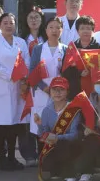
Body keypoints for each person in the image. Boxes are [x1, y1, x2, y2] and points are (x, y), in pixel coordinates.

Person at [0, 12, 30, 171]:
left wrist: (23, 77)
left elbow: (27, 61)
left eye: (11, 23)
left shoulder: (21, 42)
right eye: (5, 23)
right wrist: (10, 75)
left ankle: (12, 156)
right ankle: (2, 157)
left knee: (15, 125)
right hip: (1, 88)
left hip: (18, 88)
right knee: (1, 125)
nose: (9, 26)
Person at [26, 17, 69, 167]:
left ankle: (56, 160)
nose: (54, 30)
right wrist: (45, 88)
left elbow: (67, 72)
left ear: (62, 30)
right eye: (51, 27)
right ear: (46, 30)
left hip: (60, 94)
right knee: (41, 125)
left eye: (58, 27)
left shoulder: (65, 49)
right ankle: (42, 159)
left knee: (58, 125)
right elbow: (32, 71)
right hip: (41, 91)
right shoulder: (38, 49)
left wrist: (58, 90)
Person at [35, 76, 84, 181]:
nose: (57, 93)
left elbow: (75, 134)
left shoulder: (73, 109)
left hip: (70, 145)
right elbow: (43, 134)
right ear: (50, 91)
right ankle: (59, 170)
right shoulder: (47, 110)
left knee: (63, 145)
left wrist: (57, 138)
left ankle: (70, 172)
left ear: (67, 92)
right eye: (54, 89)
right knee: (48, 167)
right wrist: (39, 125)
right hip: (53, 144)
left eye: (61, 89)